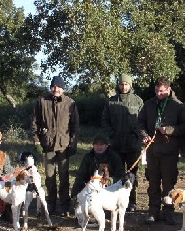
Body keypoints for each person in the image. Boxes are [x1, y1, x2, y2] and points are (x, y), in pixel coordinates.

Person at [137, 77, 185, 225]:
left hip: (170, 151)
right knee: (153, 183)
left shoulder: (178, 106)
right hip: (152, 150)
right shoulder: (149, 105)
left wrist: (169, 130)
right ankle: (153, 212)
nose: (158, 93)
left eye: (161, 91)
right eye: (156, 90)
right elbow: (139, 122)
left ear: (169, 89)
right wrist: (144, 135)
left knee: (169, 184)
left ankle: (169, 212)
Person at [32, 75, 80, 216]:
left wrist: (73, 144)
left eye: (58, 87)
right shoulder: (42, 102)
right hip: (48, 145)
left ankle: (65, 205)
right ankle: (51, 204)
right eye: (53, 86)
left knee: (64, 176)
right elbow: (34, 124)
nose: (56, 89)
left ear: (63, 88)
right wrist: (37, 142)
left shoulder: (70, 103)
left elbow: (75, 126)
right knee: (49, 176)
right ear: (50, 87)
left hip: (64, 145)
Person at [101, 74, 144, 211]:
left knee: (132, 175)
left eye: (126, 84)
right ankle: (116, 200)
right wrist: (111, 135)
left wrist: (138, 135)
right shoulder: (111, 102)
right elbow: (105, 121)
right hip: (116, 145)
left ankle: (132, 202)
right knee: (118, 174)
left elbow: (143, 121)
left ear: (130, 85)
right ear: (118, 85)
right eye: (121, 84)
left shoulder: (138, 101)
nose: (124, 87)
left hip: (133, 146)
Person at [71, 134, 125, 198]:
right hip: (92, 186)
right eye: (96, 144)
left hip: (110, 188)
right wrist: (74, 194)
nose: (99, 147)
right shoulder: (88, 157)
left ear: (107, 145)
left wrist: (109, 181)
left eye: (102, 144)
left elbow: (120, 175)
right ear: (93, 145)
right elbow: (80, 176)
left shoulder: (114, 157)